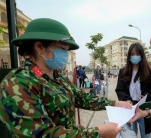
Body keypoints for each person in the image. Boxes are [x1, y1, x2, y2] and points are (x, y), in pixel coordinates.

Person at [0, 18, 132, 138]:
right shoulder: (17, 83)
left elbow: (81, 98)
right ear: (39, 47)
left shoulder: (58, 78)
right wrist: (98, 133)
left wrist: (115, 104)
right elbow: (41, 134)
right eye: (62, 49)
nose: (65, 55)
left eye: (67, 50)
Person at [115, 43, 151, 138]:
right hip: (129, 109)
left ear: (142, 55)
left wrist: (146, 95)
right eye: (132, 54)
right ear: (129, 55)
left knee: (147, 135)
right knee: (130, 135)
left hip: (144, 108)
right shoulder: (123, 71)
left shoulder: (148, 71)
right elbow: (120, 89)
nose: (135, 57)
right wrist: (126, 99)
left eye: (138, 54)